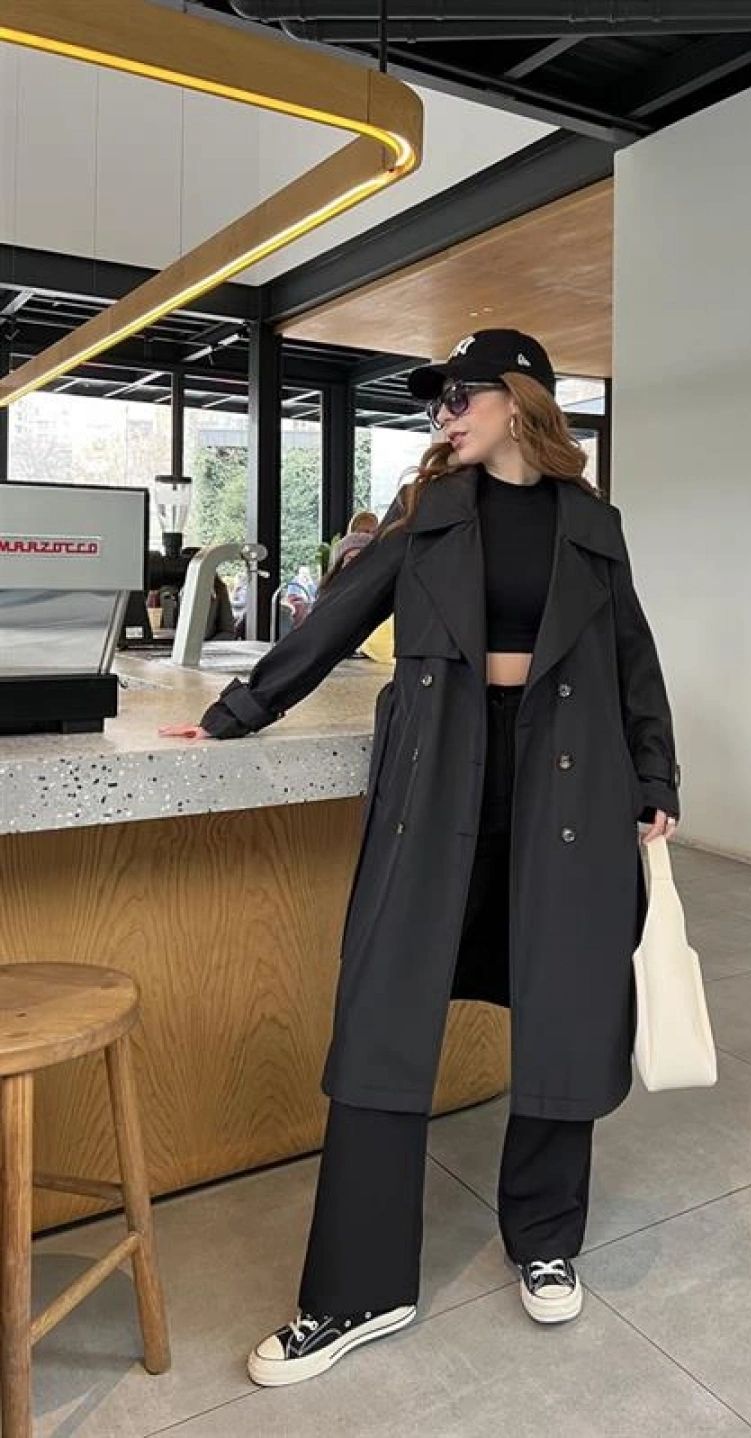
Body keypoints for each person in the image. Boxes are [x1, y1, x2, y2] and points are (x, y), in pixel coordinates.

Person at [157, 329, 681, 1388]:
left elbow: (633, 656)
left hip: (569, 785)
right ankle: (357, 1288)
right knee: (385, 1011)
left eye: (460, 395)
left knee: (564, 1004)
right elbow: (335, 619)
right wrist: (234, 712)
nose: (443, 413)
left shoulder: (593, 524)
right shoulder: (429, 511)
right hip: (440, 778)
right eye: (437, 400)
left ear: (518, 399)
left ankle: (544, 1236)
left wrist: (656, 775)